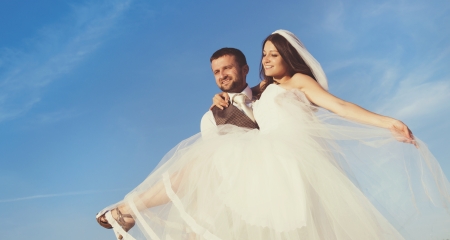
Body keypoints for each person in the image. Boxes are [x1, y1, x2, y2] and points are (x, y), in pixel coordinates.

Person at [97, 30, 450, 240]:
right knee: (202, 165)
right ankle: (129, 209)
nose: (267, 59)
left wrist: (386, 121)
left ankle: (130, 208)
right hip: (262, 167)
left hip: (291, 162)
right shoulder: (259, 92)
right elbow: (244, 104)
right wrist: (222, 102)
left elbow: (338, 106)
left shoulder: (299, 82)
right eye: (264, 53)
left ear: (288, 56)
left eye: (273, 54)